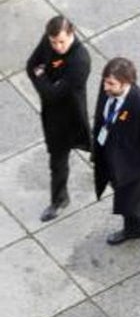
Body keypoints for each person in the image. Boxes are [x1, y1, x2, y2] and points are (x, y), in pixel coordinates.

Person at [92, 57, 140, 247]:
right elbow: (100, 118)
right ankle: (132, 231)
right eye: (105, 81)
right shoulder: (109, 91)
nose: (105, 87)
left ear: (126, 83)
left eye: (111, 83)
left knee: (130, 203)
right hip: (113, 156)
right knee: (123, 197)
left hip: (135, 165)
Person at [25, 15, 91, 222]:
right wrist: (45, 85)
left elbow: (52, 93)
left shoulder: (80, 60)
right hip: (54, 118)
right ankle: (59, 199)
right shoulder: (48, 41)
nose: (57, 46)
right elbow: (30, 65)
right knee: (57, 161)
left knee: (96, 147)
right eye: (54, 42)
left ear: (72, 34)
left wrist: (41, 77)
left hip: (73, 116)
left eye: (62, 41)